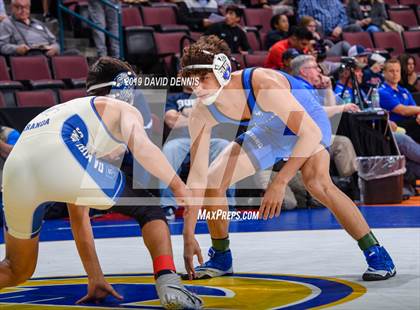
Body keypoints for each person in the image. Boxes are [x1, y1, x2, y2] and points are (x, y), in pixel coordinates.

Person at [180, 35, 396, 282]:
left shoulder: (262, 82)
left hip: (308, 122)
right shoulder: (200, 111)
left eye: (203, 80)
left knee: (318, 184)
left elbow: (309, 133)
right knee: (211, 182)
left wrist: (280, 181)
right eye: (191, 81)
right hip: (269, 128)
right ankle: (220, 256)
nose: (197, 88)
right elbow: (195, 177)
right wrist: (188, 235)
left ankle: (376, 253)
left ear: (222, 70)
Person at [0, 57, 202, 310]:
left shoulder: (71, 110)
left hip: (15, 167)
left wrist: (94, 276)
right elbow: (141, 146)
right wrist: (178, 186)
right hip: (61, 148)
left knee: (17, 269)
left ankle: (98, 277)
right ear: (124, 89)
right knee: (149, 208)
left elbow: (78, 215)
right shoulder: (122, 108)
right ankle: (170, 283)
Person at [160, 87, 234, 220]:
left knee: (227, 147)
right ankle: (168, 206)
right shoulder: (174, 98)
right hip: (182, 140)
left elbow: (220, 118)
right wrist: (201, 115)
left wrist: (187, 114)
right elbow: (172, 122)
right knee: (169, 150)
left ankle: (227, 204)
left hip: (210, 138)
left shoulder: (209, 96)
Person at [378, 58, 420, 144]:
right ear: (384, 73)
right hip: (396, 127)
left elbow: (415, 108)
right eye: (391, 71)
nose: (395, 74)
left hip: (411, 124)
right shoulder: (382, 92)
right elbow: (403, 111)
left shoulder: (404, 90)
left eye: (397, 71)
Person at [297, 0, 363, 40]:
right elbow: (301, 18)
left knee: (355, 27)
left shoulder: (336, 1)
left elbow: (344, 17)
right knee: (317, 26)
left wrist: (339, 27)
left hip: (337, 31)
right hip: (318, 32)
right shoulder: (305, 1)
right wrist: (313, 27)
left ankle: (359, 54)